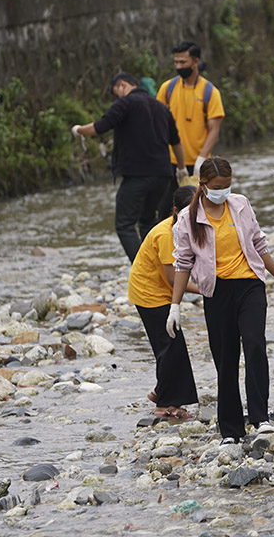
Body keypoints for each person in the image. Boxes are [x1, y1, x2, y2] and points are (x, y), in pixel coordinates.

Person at [169, 158, 274, 444]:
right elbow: (182, 263)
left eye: (227, 186)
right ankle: (230, 429)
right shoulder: (188, 220)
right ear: (202, 185)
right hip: (217, 292)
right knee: (225, 359)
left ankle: (260, 418)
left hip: (250, 284)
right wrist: (174, 306)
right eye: (217, 187)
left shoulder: (240, 204)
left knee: (254, 345)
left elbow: (258, 243)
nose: (223, 191)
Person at [72, 72, 186, 262]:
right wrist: (181, 168)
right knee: (148, 221)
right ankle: (159, 267)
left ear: (122, 85)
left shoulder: (125, 103)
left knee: (124, 224)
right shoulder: (161, 107)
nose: (117, 96)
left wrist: (78, 130)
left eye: (116, 91)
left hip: (137, 175)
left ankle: (145, 269)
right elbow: (176, 142)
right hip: (163, 176)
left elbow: (100, 126)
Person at [128, 186, 200, 420]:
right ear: (175, 211)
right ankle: (164, 406)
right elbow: (173, 279)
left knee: (171, 344)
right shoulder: (167, 234)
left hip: (159, 288)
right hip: (150, 293)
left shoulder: (187, 227)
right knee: (169, 346)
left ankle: (160, 391)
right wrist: (206, 290)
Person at [156, 41, 225, 217]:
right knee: (165, 211)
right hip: (170, 162)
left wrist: (202, 158)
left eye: (183, 62)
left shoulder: (210, 92)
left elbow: (214, 129)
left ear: (195, 62)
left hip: (197, 165)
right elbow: (157, 122)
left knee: (197, 211)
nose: (178, 66)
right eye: (176, 62)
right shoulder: (167, 89)